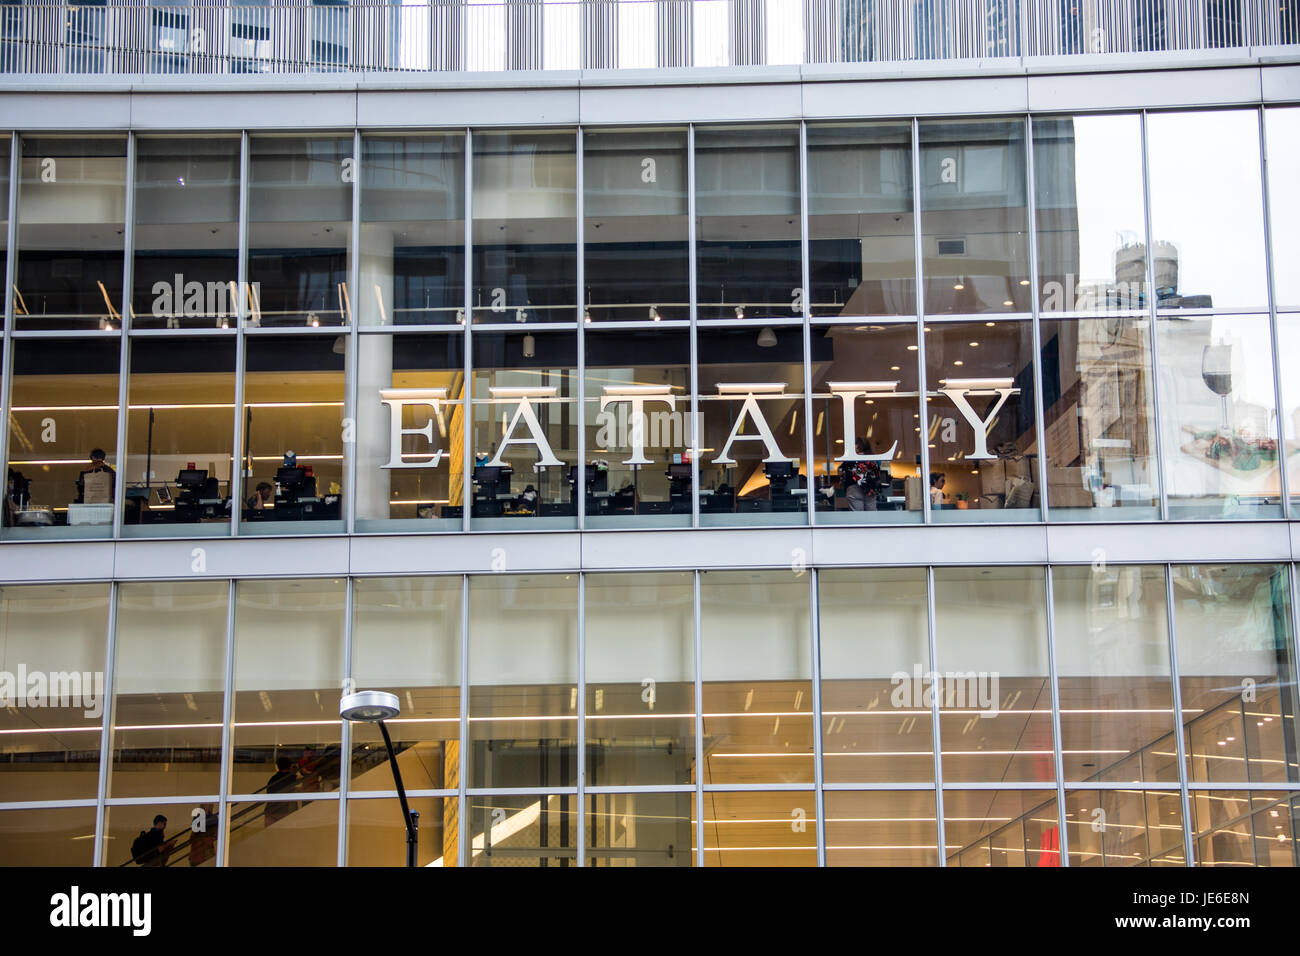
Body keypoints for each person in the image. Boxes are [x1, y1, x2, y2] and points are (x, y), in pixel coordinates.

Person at [840, 437, 883, 512]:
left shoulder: (852, 458)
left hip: (854, 488)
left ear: (858, 446)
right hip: (870, 488)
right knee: (871, 515)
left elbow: (841, 470)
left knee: (857, 516)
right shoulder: (874, 458)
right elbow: (878, 470)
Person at [263, 756, 299, 825]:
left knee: (270, 830)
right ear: (289, 766)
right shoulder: (291, 777)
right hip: (283, 810)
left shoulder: (273, 778)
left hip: (270, 809)